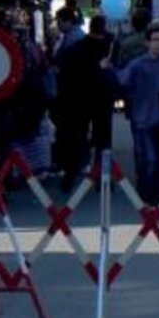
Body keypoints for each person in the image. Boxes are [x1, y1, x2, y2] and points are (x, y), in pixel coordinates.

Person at [118, 24, 159, 205]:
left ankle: (157, 201)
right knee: (147, 160)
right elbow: (121, 80)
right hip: (144, 121)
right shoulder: (138, 64)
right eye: (155, 40)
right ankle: (145, 198)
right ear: (147, 43)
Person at [56, 15, 115, 193]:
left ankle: (70, 175)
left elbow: (64, 75)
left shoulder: (75, 49)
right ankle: (103, 178)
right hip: (102, 100)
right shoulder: (108, 48)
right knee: (103, 142)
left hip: (78, 101)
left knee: (77, 138)